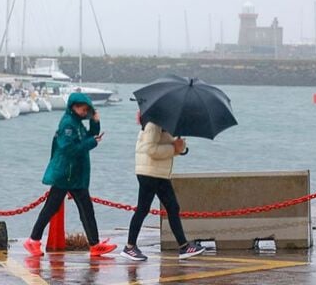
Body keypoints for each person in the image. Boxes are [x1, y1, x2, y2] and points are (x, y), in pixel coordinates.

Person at [24, 92, 117, 257]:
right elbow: (69, 149)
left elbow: (87, 137)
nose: (85, 112)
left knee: (86, 210)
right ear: (74, 107)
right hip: (66, 174)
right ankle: (33, 240)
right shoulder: (68, 124)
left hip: (75, 175)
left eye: (87, 109)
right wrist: (92, 143)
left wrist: (95, 122)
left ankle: (95, 245)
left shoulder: (77, 122)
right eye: (83, 109)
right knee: (51, 208)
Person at [120, 113, 205, 261]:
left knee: (172, 207)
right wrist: (173, 148)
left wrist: (180, 147)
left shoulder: (164, 124)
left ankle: (184, 247)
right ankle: (129, 247)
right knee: (143, 209)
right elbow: (150, 149)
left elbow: (167, 146)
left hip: (159, 173)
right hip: (149, 173)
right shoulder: (153, 125)